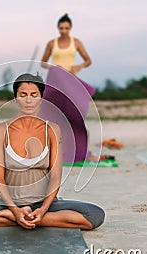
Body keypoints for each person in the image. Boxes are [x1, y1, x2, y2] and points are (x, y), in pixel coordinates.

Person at [0, 73, 105, 231]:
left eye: (34, 95)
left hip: (43, 202)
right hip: (6, 202)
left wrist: (43, 209)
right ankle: (21, 217)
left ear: (41, 97)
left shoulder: (52, 130)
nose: (29, 100)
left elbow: (55, 176)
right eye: (23, 95)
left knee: (95, 215)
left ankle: (23, 218)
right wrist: (14, 210)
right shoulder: (0, 131)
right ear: (16, 98)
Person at [40, 13, 102, 163]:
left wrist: (79, 66)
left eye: (66, 28)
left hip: (70, 81)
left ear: (70, 28)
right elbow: (43, 62)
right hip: (56, 80)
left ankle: (79, 151)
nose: (64, 31)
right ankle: (48, 151)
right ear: (57, 28)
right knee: (51, 113)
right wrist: (55, 67)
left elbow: (88, 61)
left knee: (74, 114)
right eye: (61, 28)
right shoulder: (51, 43)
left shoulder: (77, 43)